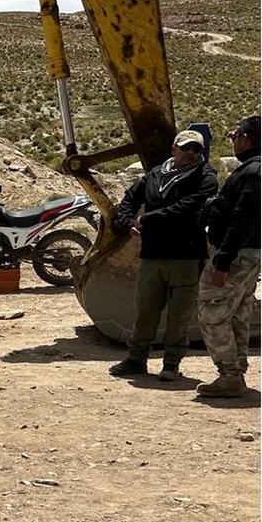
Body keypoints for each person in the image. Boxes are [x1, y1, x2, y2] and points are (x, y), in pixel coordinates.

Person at [109, 130, 218, 381]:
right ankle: (136, 359)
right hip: (153, 255)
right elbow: (129, 199)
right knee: (145, 311)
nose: (190, 153)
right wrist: (127, 222)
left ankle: (171, 363)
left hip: (186, 257)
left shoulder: (206, 177)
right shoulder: (155, 175)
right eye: (185, 147)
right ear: (173, 149)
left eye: (196, 149)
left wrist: (147, 219)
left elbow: (188, 208)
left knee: (179, 315)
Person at [196, 115, 260, 398]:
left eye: (235, 135)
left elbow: (242, 218)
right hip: (249, 254)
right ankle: (237, 369)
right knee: (238, 312)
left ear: (246, 138)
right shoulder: (252, 170)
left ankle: (230, 374)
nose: (233, 141)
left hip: (236, 256)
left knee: (212, 312)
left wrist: (223, 258)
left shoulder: (251, 172)